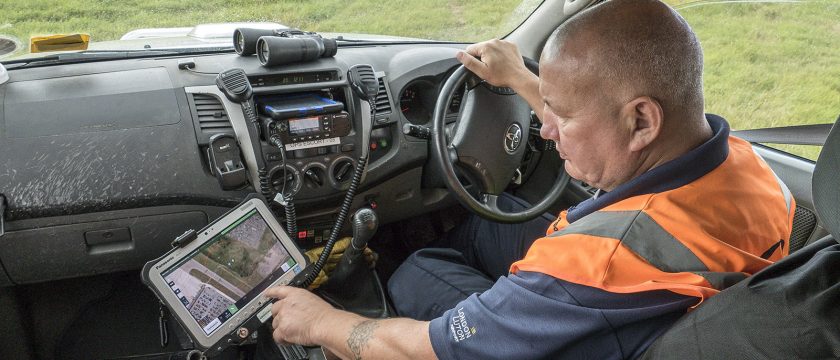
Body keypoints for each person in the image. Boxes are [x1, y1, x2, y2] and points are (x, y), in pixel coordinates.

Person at [263, 0, 795, 358]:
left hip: (586, 312)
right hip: (642, 301)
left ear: (642, 121)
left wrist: (318, 322)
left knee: (416, 268)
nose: (544, 128)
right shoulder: (746, 167)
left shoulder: (598, 265)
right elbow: (600, 127)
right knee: (485, 226)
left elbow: (423, 347)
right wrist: (519, 77)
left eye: (560, 115)